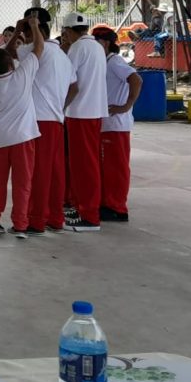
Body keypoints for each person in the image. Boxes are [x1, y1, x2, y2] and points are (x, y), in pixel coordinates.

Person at [0, 16, 44, 239]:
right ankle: (20, 224)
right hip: (23, 137)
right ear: (10, 63)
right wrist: (34, 27)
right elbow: (38, 48)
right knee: (22, 182)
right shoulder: (23, 75)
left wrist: (17, 32)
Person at [18, 8, 75, 235]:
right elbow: (75, 87)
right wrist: (60, 106)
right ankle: (55, 218)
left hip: (38, 121)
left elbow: (9, 52)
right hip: (55, 119)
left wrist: (26, 30)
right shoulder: (62, 55)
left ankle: (36, 220)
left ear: (36, 29)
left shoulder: (33, 50)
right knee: (55, 172)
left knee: (37, 172)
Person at [62, 12, 109, 232]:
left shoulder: (78, 48)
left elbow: (70, 83)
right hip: (93, 111)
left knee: (84, 165)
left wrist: (60, 107)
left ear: (70, 31)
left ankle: (89, 215)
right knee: (85, 163)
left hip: (81, 112)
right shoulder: (97, 47)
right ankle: (83, 207)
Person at [94, 27, 142, 223]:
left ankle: (117, 207)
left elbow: (135, 79)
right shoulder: (104, 62)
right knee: (107, 167)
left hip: (116, 124)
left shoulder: (115, 62)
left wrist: (126, 105)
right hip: (107, 122)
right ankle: (107, 203)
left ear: (104, 43)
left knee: (117, 167)